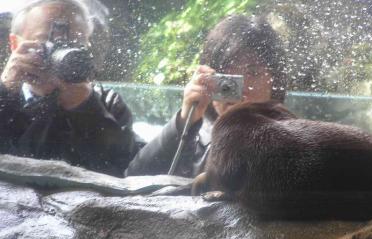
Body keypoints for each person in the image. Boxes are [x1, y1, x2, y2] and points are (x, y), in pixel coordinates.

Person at [126, 15, 287, 177]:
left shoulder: (292, 138)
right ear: (208, 78)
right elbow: (132, 180)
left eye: (253, 72)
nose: (241, 87)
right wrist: (184, 121)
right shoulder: (194, 138)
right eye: (225, 75)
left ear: (275, 80)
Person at [0, 0, 140, 177]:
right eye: (46, 39)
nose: (64, 48)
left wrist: (85, 106)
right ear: (15, 44)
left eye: (76, 41)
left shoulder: (106, 102)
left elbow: (125, 171)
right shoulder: (6, 95)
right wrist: (5, 90)